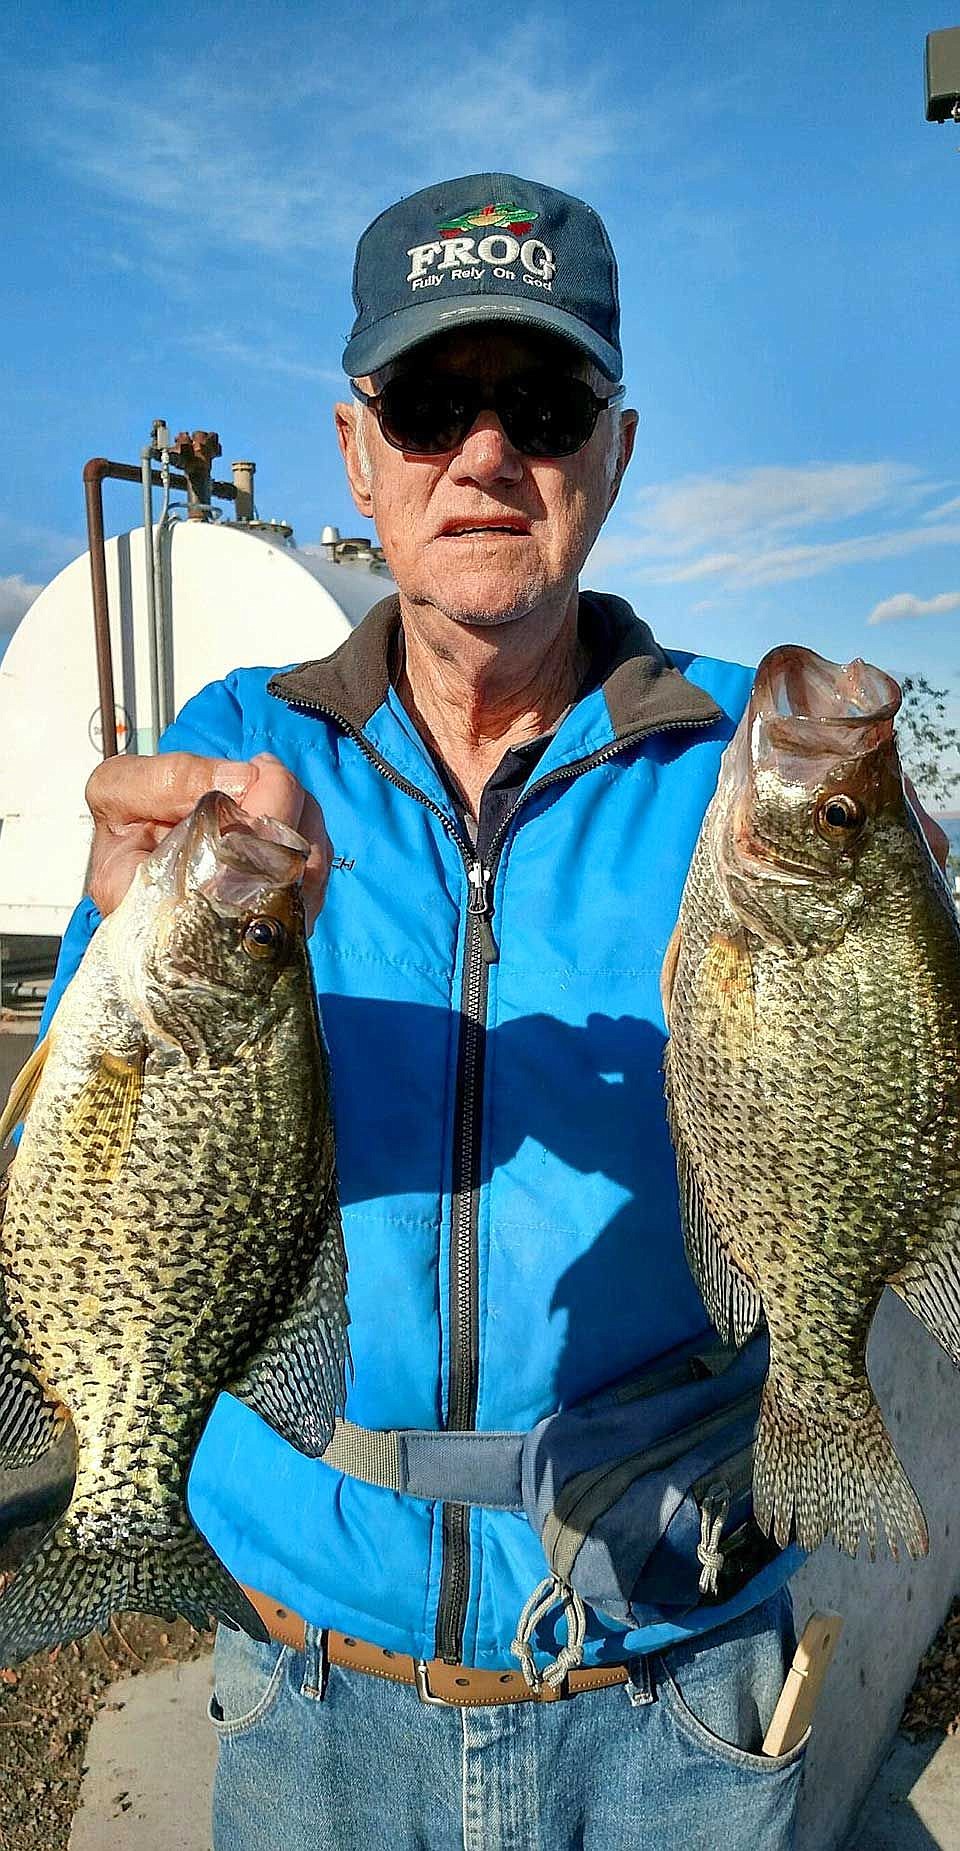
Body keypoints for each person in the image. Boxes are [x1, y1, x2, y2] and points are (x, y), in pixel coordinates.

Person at [41, 174, 946, 1850]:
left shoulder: (738, 766)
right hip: (308, 1676)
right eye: (428, 401)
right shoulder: (241, 749)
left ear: (612, 449)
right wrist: (118, 933)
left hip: (672, 1665)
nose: (484, 453)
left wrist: (906, 900)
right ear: (355, 449)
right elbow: (106, 1156)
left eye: (540, 404)